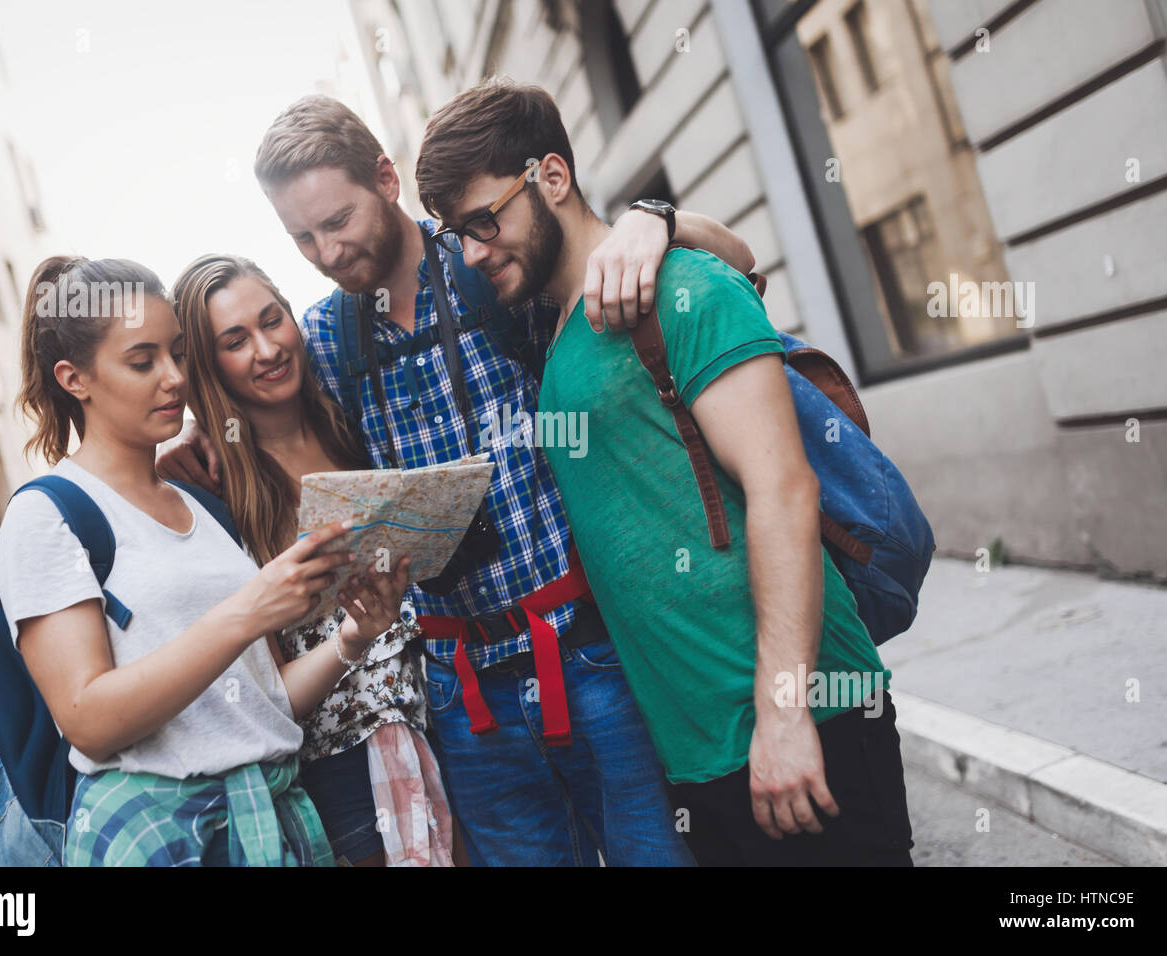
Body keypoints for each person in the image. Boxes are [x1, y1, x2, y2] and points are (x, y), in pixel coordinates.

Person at [158, 94, 760, 867]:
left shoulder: (496, 259)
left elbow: (728, 260)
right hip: (463, 693)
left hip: (589, 652)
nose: (328, 252)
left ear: (386, 178)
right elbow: (251, 382)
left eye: (338, 221)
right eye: (302, 238)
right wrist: (192, 433)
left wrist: (656, 219)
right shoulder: (326, 341)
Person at [415, 79, 915, 866]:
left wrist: (783, 715)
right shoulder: (551, 331)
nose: (475, 251)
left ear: (551, 178)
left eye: (485, 220)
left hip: (800, 717)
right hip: (695, 754)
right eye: (458, 236)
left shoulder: (678, 287)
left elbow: (783, 490)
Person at [0, 255, 406, 866]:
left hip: (271, 823)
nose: (174, 378)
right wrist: (246, 611)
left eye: (178, 353)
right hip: (163, 838)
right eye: (142, 362)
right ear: (73, 378)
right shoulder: (47, 515)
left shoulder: (203, 505)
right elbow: (89, 719)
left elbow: (261, 706)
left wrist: (353, 638)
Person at [172, 252, 452, 866]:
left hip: (443, 723)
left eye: (273, 321)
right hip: (344, 776)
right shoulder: (216, 496)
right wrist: (353, 637)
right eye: (235, 340)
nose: (268, 349)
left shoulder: (352, 420)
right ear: (208, 364)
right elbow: (266, 694)